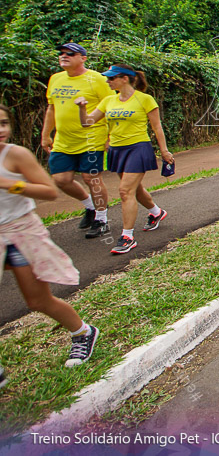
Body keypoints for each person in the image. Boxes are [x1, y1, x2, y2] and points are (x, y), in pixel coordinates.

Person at [0, 104, 100, 374]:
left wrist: (10, 184)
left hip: (19, 234)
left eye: (3, 123)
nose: (1, 130)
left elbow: (49, 191)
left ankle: (83, 332)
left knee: (37, 301)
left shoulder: (16, 155)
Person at [76, 65, 174, 255]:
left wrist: (164, 151)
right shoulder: (108, 101)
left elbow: (157, 127)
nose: (108, 81)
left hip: (138, 148)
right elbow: (86, 122)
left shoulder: (145, 99)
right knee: (134, 189)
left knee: (124, 190)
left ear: (125, 79)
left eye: (111, 78)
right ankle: (156, 212)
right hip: (117, 150)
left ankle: (127, 236)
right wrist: (81, 108)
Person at [42, 43, 115, 239]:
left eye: (70, 53)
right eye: (61, 53)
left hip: (91, 139)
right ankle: (90, 206)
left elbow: (111, 106)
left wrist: (110, 136)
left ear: (83, 58)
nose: (64, 56)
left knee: (91, 178)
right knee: (61, 179)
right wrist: (45, 134)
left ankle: (101, 219)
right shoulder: (55, 79)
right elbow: (52, 108)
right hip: (63, 140)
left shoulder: (96, 79)